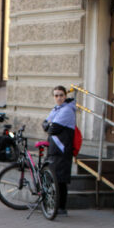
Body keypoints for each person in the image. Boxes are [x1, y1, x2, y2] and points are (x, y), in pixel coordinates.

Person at [43, 86, 77, 216]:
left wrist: (49, 125)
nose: (58, 98)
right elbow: (45, 124)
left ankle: (61, 207)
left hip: (62, 149)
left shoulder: (67, 110)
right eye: (56, 95)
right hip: (54, 149)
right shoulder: (57, 109)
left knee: (61, 180)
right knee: (55, 178)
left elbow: (52, 128)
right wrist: (48, 125)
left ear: (65, 96)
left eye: (61, 95)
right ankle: (53, 206)